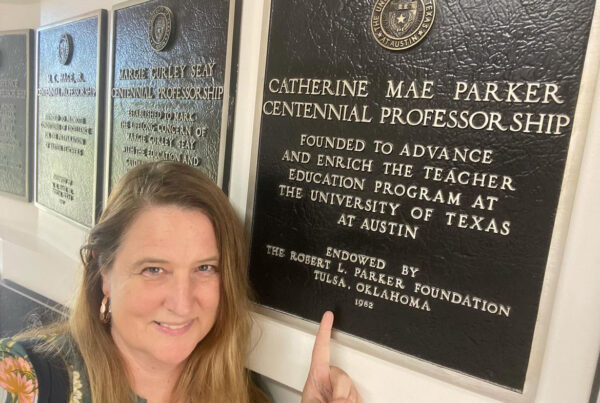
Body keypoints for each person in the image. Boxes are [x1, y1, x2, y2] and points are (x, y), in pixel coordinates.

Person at [0, 161, 361, 403]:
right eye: (154, 269)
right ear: (103, 273)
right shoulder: (22, 378)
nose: (183, 303)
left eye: (205, 268)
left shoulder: (243, 395)